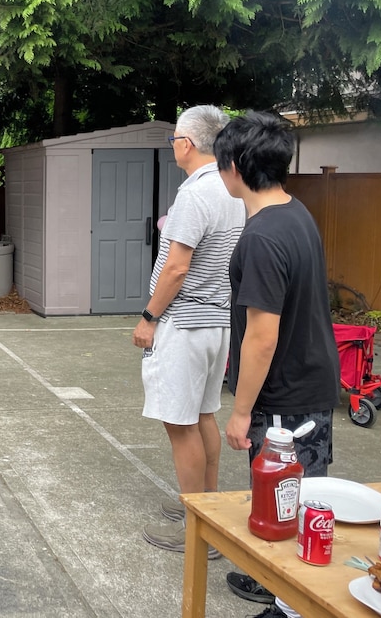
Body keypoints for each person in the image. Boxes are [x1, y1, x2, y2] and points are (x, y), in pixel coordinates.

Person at [214, 112, 341, 618]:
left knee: (287, 495)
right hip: (307, 379)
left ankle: (290, 606)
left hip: (287, 394)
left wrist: (242, 411)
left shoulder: (263, 236)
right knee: (288, 495)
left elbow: (262, 338)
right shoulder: (295, 212)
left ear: (235, 167)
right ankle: (271, 579)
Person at [133, 106, 246, 555]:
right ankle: (207, 510)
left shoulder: (195, 194)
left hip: (185, 321)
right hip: (218, 320)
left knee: (180, 425)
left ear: (187, 143)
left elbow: (177, 267)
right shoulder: (232, 189)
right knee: (202, 416)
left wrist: (148, 317)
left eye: (174, 139)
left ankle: (198, 531)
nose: (173, 146)